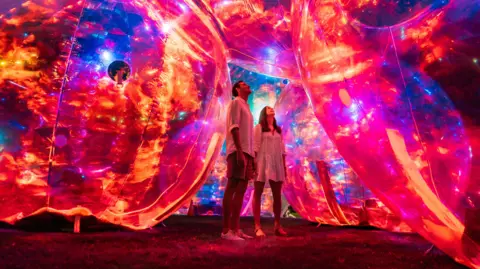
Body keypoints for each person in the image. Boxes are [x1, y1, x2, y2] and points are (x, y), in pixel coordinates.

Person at [222, 81, 255, 241]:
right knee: (232, 186)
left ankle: (236, 229)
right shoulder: (235, 103)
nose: (247, 85)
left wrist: (251, 156)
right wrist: (240, 151)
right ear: (237, 89)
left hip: (247, 152)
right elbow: (233, 127)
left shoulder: (247, 107)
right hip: (237, 151)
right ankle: (226, 230)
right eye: (243, 84)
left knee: (241, 190)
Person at [253, 106, 288, 237]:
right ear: (264, 113)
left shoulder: (278, 130)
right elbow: (255, 147)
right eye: (268, 108)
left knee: (277, 194)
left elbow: (283, 149)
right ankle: (257, 226)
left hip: (276, 162)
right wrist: (254, 164)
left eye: (272, 108)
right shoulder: (259, 128)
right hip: (262, 161)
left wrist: (284, 167)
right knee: (258, 192)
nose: (271, 109)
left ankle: (277, 225)